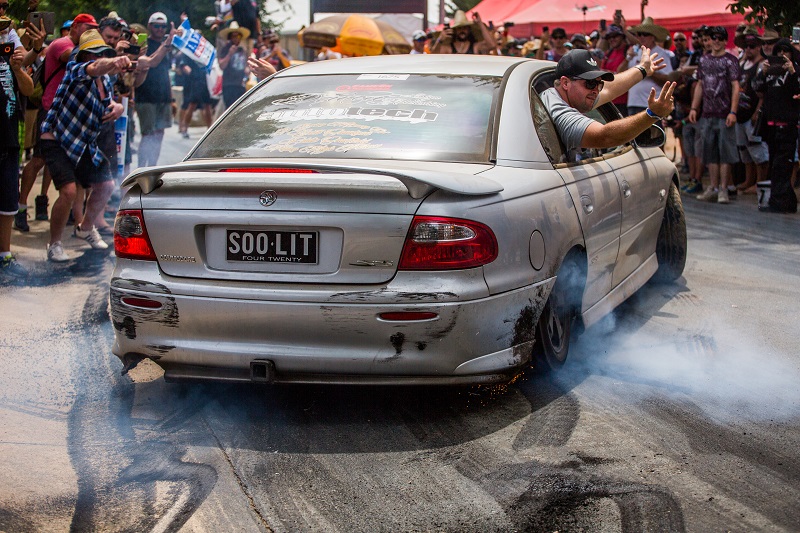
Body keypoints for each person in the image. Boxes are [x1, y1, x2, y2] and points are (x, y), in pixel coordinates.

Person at [39, 29, 130, 262]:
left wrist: (118, 108)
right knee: (68, 191)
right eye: (92, 53)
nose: (96, 58)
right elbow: (95, 68)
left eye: (100, 53)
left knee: (107, 185)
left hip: (83, 144)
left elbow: (110, 102)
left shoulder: (106, 82)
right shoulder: (76, 70)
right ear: (82, 55)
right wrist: (112, 60)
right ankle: (54, 244)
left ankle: (86, 227)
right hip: (57, 139)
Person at [16, 13, 98, 232]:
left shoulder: (84, 46)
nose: (93, 32)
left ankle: (44, 203)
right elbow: (75, 58)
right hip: (51, 110)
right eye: (89, 28)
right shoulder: (63, 44)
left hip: (70, 114)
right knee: (38, 160)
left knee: (58, 162)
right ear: (76, 27)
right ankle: (21, 208)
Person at [541, 48, 674, 163]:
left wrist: (643, 69)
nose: (596, 90)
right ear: (565, 83)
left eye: (599, 84)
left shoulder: (562, 95)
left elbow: (610, 89)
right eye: (590, 83)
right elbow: (605, 137)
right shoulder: (558, 112)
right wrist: (651, 115)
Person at [688, 26, 740, 204]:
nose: (716, 41)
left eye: (720, 37)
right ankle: (713, 186)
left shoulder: (731, 60)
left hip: (725, 112)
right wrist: (694, 108)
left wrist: (733, 111)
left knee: (725, 152)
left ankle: (723, 189)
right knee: (709, 152)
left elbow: (736, 86)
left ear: (726, 41)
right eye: (713, 37)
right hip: (708, 112)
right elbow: (700, 85)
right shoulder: (703, 60)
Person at [752, 39, 800, 213]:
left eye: (785, 52)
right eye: (778, 52)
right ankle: (784, 201)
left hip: (788, 125)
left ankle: (780, 201)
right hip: (771, 125)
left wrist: (793, 72)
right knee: (775, 164)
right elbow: (756, 88)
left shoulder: (796, 69)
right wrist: (763, 73)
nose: (782, 56)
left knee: (783, 164)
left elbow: (797, 91)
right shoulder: (770, 70)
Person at [0, 44, 34, 280]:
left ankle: (4, 255)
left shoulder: (8, 55)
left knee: (8, 201)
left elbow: (28, 89)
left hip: (8, 140)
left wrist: (18, 69)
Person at [136, 12, 176, 168]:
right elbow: (150, 62)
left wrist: (171, 99)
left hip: (163, 96)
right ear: (150, 26)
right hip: (146, 96)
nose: (160, 29)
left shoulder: (168, 46)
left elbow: (166, 73)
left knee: (159, 134)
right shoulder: (143, 43)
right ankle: (141, 169)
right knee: (148, 135)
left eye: (163, 26)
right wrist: (166, 44)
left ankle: (152, 168)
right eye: (157, 26)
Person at [733, 27, 768, 194]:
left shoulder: (762, 65)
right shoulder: (741, 63)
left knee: (757, 149)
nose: (748, 49)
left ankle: (760, 183)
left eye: (752, 46)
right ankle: (749, 179)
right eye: (746, 45)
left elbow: (763, 93)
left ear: (759, 46)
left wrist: (757, 112)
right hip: (740, 113)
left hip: (752, 114)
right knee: (744, 150)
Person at [624, 18, 673, 117]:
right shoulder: (636, 52)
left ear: (653, 37)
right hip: (633, 103)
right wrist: (627, 58)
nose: (641, 37)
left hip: (652, 105)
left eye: (645, 34)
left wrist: (649, 72)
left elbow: (669, 80)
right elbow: (620, 73)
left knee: (653, 132)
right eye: (638, 34)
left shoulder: (661, 54)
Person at [429, 11, 494, 55]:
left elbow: (492, 45)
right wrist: (440, 39)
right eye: (459, 28)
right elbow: (434, 56)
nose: (462, 31)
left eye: (464, 28)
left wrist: (480, 23)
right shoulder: (448, 48)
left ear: (469, 29)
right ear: (455, 30)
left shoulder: (475, 47)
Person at [600, 24, 631, 116]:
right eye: (609, 37)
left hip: (624, 100)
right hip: (609, 100)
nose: (611, 39)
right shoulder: (608, 53)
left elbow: (620, 72)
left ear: (622, 36)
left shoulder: (628, 50)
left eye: (615, 36)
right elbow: (602, 71)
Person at [218, 21, 250, 109]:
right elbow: (222, 66)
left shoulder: (242, 50)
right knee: (230, 109)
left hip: (240, 84)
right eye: (234, 36)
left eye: (238, 36)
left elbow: (247, 64)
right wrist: (229, 54)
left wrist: (248, 69)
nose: (236, 38)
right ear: (230, 37)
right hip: (229, 85)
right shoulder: (225, 49)